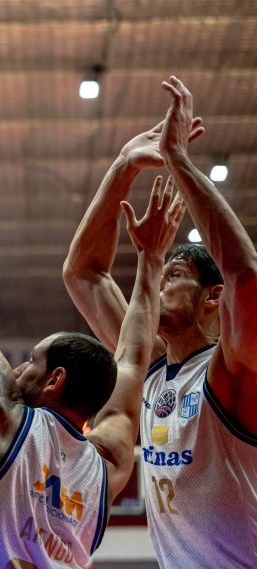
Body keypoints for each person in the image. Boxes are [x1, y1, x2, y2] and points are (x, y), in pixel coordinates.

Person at [0, 99, 181, 568]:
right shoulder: (108, 466)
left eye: (32, 359)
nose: (18, 368)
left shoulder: (1, 423)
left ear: (55, 380)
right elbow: (133, 359)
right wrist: (150, 262)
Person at [63, 76, 257, 568]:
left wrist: (179, 161)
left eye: (175, 275)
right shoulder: (148, 364)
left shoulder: (230, 368)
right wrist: (123, 166)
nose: (160, 285)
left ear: (213, 296)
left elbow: (246, 275)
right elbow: (83, 274)